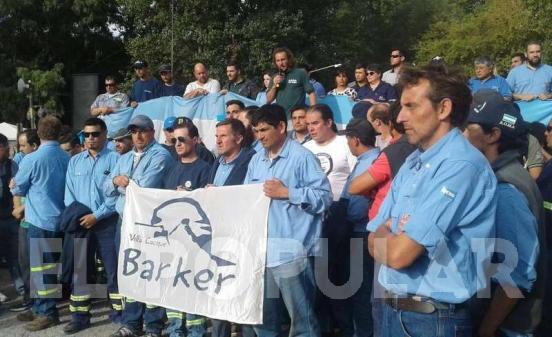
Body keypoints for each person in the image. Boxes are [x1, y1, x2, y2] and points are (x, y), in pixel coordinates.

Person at [366, 65, 497, 336]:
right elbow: (371, 237)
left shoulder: (461, 166)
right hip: (391, 311)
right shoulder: (413, 162)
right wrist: (387, 239)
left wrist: (388, 237)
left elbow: (400, 255)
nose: (400, 117)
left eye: (411, 106)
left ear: (443, 109)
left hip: (433, 320)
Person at [245, 104, 332, 337]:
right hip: (262, 253)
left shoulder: (302, 157)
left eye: (264, 130)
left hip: (293, 254)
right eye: (256, 130)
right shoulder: (256, 160)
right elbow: (246, 198)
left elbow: (324, 198)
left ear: (282, 127)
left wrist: (287, 193)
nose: (259, 136)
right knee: (262, 320)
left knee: (302, 323)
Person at [463, 89, 545, 337]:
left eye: (469, 127)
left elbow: (517, 275)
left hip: (507, 327)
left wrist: (485, 330)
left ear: (493, 135)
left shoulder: (505, 188)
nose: (462, 134)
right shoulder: (503, 176)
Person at [106, 115, 174, 337]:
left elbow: (144, 186)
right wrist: (116, 181)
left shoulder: (161, 155)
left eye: (142, 130)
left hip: (147, 224)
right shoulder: (125, 157)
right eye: (134, 131)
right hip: (124, 222)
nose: (138, 135)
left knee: (150, 272)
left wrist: (121, 182)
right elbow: (105, 186)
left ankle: (154, 324)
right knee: (130, 272)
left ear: (152, 132)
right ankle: (132, 322)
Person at [62, 117, 121, 334]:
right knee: (80, 271)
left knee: (113, 270)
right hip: (81, 224)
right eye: (86, 135)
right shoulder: (75, 161)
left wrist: (97, 215)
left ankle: (118, 314)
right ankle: (79, 317)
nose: (90, 138)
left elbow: (117, 196)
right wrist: (79, 215)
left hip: (106, 223)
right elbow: (69, 194)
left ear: (105, 135)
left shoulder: (116, 159)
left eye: (95, 134)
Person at [11, 115, 70, 331]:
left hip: (39, 220)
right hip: (60, 218)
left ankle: (47, 312)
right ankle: (39, 307)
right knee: (50, 267)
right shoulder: (67, 157)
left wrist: (13, 186)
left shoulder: (31, 159)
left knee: (41, 269)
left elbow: (18, 188)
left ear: (39, 132)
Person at [160, 117, 210, 337]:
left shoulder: (206, 169)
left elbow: (209, 209)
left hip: (194, 246)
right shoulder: (170, 169)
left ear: (196, 140)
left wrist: (189, 198)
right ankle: (174, 329)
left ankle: (196, 330)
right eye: (174, 140)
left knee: (191, 289)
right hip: (171, 242)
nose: (177, 143)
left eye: (182, 139)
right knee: (172, 288)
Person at [208, 118, 256, 337]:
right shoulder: (217, 162)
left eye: (223, 136)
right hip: (218, 237)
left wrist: (220, 193)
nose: (218, 140)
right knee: (219, 293)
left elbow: (250, 197)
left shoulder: (251, 160)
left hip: (242, 240)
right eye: (217, 136)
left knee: (243, 297)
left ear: (238, 138)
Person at [340, 118, 380, 337]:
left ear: (355, 140)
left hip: (361, 232)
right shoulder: (370, 159)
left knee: (361, 290)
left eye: (347, 139)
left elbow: (357, 207)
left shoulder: (368, 163)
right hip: (366, 233)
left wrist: (343, 217)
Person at [10, 129, 40, 312]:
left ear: (34, 146)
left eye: (22, 145)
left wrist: (22, 208)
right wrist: (16, 207)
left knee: (41, 266)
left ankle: (43, 306)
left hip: (37, 221)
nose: (20, 149)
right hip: (24, 222)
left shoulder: (39, 162)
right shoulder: (22, 161)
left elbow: (41, 194)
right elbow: (15, 187)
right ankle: (30, 301)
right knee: (25, 264)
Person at [0, 133, 24, 304]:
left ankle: (22, 289)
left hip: (10, 219)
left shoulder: (12, 165)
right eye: (4, 148)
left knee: (15, 256)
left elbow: (19, 188)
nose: (9, 150)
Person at [266, 47, 316, 116]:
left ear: (289, 59)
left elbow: (311, 93)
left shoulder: (300, 73)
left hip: (297, 118)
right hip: (281, 118)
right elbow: (269, 100)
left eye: (283, 59)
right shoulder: (275, 77)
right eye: (278, 61)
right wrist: (275, 85)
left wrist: (313, 112)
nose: (281, 63)